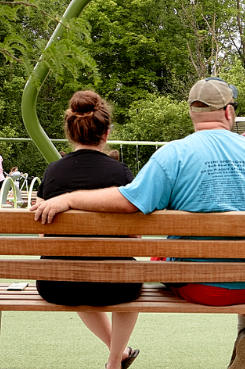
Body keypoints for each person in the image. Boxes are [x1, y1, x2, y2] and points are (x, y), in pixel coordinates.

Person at [31, 77, 245, 369]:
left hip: (196, 285)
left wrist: (70, 199)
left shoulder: (173, 154)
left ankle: (118, 355)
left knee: (163, 256)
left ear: (192, 113)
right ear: (229, 113)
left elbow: (130, 202)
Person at [34, 90, 141, 369]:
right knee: (131, 286)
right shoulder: (120, 173)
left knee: (75, 272)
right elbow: (136, 237)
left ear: (70, 133)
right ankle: (115, 359)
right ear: (106, 133)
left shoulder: (53, 173)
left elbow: (42, 228)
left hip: (58, 284)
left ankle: (118, 355)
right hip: (117, 287)